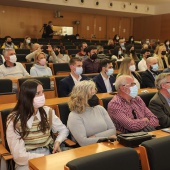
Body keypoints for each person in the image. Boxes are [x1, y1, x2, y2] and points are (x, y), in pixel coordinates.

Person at [6, 79, 69, 170]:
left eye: (42, 92)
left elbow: (63, 130)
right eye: (37, 94)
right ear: (27, 97)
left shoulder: (47, 111)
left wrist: (58, 141)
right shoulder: (14, 119)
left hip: (49, 153)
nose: (42, 96)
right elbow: (19, 156)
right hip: (26, 160)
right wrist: (43, 157)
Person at [67, 80, 116, 146]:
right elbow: (83, 142)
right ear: (81, 97)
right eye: (92, 95)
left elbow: (113, 130)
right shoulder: (74, 116)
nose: (95, 97)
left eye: (94, 94)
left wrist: (95, 137)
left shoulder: (100, 108)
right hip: (88, 150)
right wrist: (107, 137)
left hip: (106, 145)